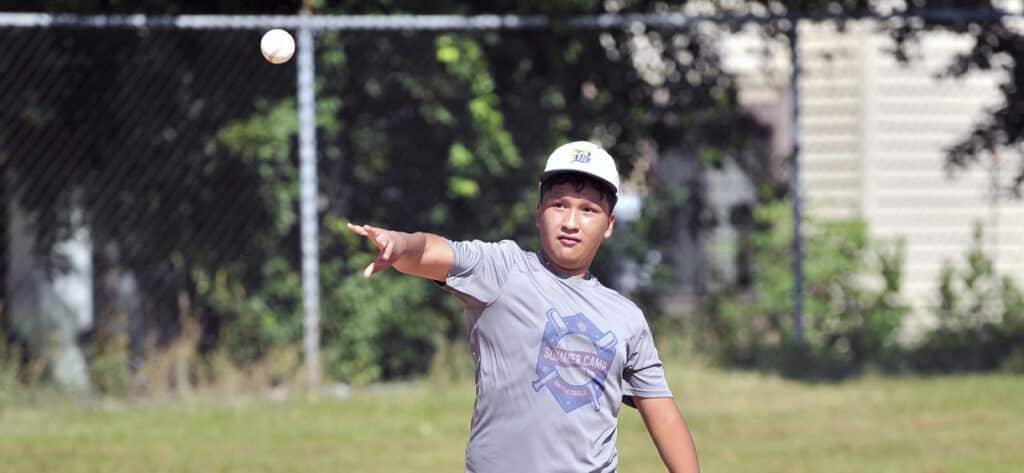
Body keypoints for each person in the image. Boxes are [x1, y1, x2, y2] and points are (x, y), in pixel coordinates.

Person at [347, 141, 700, 473]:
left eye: (588, 210)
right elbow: (433, 252)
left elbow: (663, 415)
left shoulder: (626, 318)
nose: (571, 223)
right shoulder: (503, 270)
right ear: (538, 213)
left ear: (608, 225)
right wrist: (400, 245)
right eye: (559, 205)